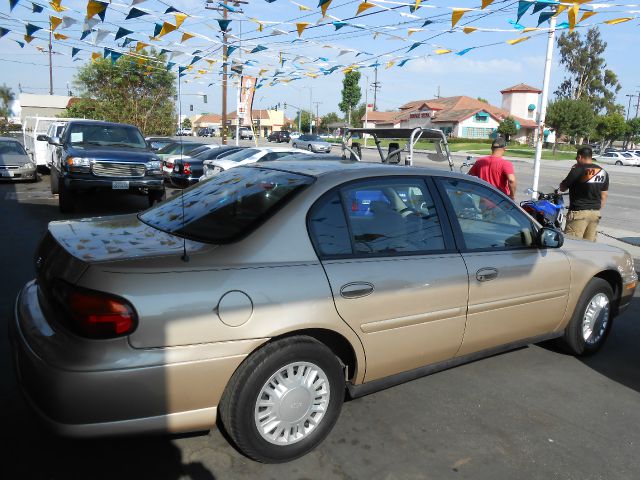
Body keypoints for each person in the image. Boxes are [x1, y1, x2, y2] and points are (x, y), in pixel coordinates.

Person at [558, 146, 608, 242]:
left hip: (579, 213)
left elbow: (563, 188)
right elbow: (604, 195)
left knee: (573, 243)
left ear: (580, 157)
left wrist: (572, 171)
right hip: (595, 213)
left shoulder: (577, 170)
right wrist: (595, 208)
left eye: (577, 158)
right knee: (589, 246)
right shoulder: (602, 172)